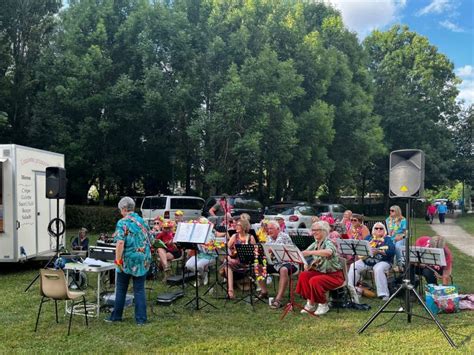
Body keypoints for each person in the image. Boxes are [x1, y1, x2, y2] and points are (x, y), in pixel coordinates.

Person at [107, 197, 151, 325]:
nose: (120, 212)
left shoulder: (122, 222)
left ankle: (116, 317)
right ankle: (141, 320)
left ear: (124, 209)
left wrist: (118, 260)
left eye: (121, 210)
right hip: (143, 258)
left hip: (128, 259)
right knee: (139, 289)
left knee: (121, 288)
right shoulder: (142, 221)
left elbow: (120, 243)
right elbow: (150, 238)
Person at [296, 221, 344, 316]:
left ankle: (323, 304)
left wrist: (310, 253)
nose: (313, 232)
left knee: (315, 280)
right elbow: (305, 252)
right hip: (322, 273)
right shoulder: (316, 243)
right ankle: (311, 303)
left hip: (335, 276)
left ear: (324, 231)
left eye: (316, 230)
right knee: (303, 275)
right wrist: (305, 262)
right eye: (312, 230)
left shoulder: (329, 242)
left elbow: (328, 252)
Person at [347, 222, 395, 303]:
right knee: (354, 265)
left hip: (383, 261)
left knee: (378, 268)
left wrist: (379, 251)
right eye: (376, 228)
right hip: (367, 260)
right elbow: (361, 248)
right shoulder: (368, 238)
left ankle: (383, 294)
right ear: (373, 230)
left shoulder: (388, 239)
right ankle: (350, 289)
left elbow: (391, 251)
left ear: (384, 230)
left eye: (381, 228)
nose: (378, 230)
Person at [256, 220, 298, 309]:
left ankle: (278, 299)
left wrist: (269, 250)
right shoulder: (268, 238)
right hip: (274, 263)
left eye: (271, 228)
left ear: (278, 229)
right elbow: (268, 252)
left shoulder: (283, 236)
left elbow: (275, 248)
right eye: (268, 229)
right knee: (258, 266)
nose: (269, 230)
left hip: (288, 262)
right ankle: (264, 292)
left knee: (283, 269)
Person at [221, 218, 256, 299]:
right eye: (236, 225)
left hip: (246, 261)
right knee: (227, 264)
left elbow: (254, 253)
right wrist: (229, 257)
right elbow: (227, 249)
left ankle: (232, 287)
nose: (236, 227)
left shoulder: (250, 238)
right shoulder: (234, 236)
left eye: (238, 225)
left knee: (228, 264)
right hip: (234, 260)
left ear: (244, 227)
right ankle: (230, 290)